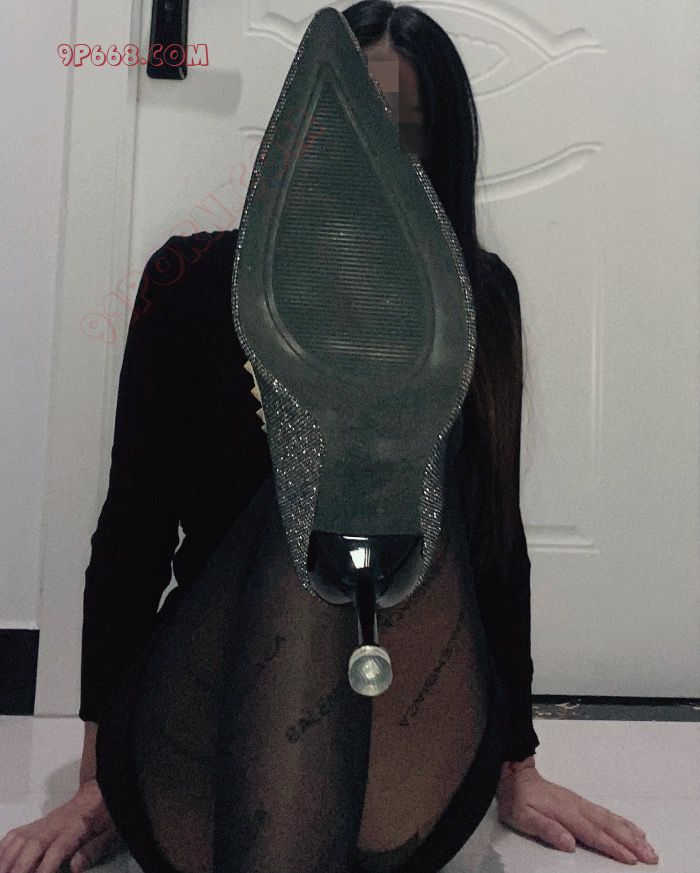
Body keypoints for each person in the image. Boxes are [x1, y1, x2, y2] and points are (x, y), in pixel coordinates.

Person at [0, 3, 658, 872]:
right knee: (300, 507)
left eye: (399, 131)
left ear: (439, 152)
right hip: (218, 671)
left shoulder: (478, 299)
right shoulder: (190, 282)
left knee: (371, 507)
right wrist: (98, 782)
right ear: (296, 132)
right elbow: (134, 530)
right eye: (344, 122)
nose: (366, 156)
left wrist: (519, 764)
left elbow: (495, 541)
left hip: (412, 685)